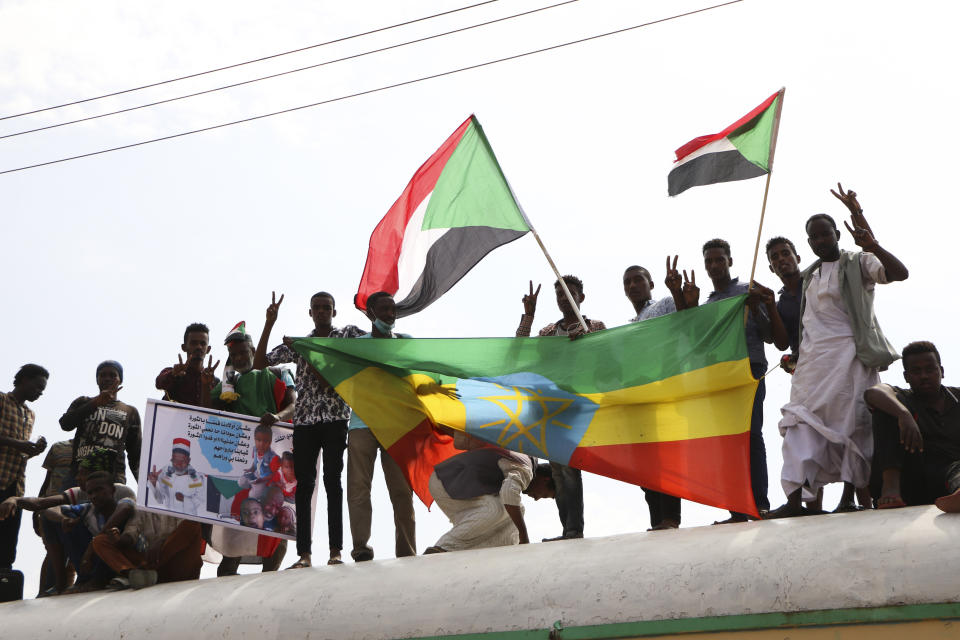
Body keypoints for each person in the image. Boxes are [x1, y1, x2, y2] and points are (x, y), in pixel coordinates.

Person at [771, 184, 909, 517]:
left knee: (852, 425)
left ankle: (849, 495)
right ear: (809, 243)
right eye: (814, 237)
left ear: (836, 234)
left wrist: (865, 228)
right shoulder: (809, 276)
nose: (820, 240)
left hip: (850, 357)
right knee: (799, 422)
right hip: (812, 364)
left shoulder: (858, 263)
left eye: (825, 234)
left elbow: (898, 273)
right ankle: (797, 500)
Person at [253, 290, 365, 568]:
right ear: (310, 313)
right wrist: (269, 323)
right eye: (317, 307)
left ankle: (335, 551)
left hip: (336, 418)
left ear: (334, 312)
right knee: (304, 486)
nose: (323, 311)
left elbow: (372, 343)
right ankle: (304, 554)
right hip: (305, 422)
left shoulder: (344, 337)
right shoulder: (299, 343)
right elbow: (259, 363)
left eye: (327, 307)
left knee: (332, 482)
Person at [685, 240, 775, 522]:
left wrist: (757, 306)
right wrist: (689, 308)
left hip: (749, 368)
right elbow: (699, 345)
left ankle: (760, 504)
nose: (714, 266)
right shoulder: (709, 303)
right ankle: (737, 508)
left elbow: (770, 335)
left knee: (751, 436)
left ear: (730, 261)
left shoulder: (747, 291)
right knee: (728, 442)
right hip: (720, 376)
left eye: (719, 260)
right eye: (709, 262)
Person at [516, 275, 605, 540]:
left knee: (568, 466)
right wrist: (528, 316)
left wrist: (587, 342)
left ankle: (573, 529)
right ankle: (568, 528)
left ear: (581, 297)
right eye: (560, 294)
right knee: (557, 468)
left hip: (578, 405)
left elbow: (607, 359)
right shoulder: (547, 333)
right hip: (549, 407)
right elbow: (519, 349)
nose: (564, 298)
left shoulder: (594, 327)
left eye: (569, 293)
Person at [207, 326, 295, 575]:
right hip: (239, 465)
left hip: (274, 459)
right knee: (235, 528)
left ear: (254, 351)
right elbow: (205, 411)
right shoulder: (229, 382)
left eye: (244, 353)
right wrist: (206, 385)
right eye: (234, 356)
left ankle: (269, 581)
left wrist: (276, 417)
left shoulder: (278, 372)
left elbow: (294, 405)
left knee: (277, 525)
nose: (240, 359)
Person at [347, 291, 417, 562]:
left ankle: (407, 550)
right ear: (371, 313)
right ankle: (361, 547)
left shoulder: (406, 343)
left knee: (402, 490)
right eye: (384, 310)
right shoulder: (356, 346)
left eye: (393, 310)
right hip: (362, 423)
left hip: (396, 424)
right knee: (359, 487)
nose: (390, 314)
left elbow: (421, 373)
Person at [623, 259, 688, 530]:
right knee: (647, 461)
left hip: (665, 389)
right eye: (628, 282)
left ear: (651, 284)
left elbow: (687, 317)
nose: (633, 285)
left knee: (665, 456)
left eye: (638, 279)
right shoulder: (629, 326)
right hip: (641, 398)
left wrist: (676, 291)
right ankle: (657, 520)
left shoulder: (663, 305)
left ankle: (671, 517)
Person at [863, 341, 960, 511]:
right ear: (906, 377)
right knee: (886, 406)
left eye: (930, 369)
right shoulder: (904, 398)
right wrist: (903, 414)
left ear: (941, 371)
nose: (924, 376)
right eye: (916, 371)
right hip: (910, 481)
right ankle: (890, 490)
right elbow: (873, 393)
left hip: (949, 479)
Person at [424, 447, 556, 553]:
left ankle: (507, 553)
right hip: (447, 481)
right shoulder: (526, 469)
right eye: (544, 495)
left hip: (452, 483)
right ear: (545, 479)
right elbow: (509, 494)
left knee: (517, 511)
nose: (537, 499)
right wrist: (524, 535)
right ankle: (443, 548)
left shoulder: (524, 458)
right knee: (496, 509)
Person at [42, 470, 137, 591]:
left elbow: (126, 508)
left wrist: (90, 549)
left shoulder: (124, 502)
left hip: (116, 560)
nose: (94, 496)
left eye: (99, 490)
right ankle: (61, 583)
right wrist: (64, 519)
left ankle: (102, 579)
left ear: (113, 490)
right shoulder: (88, 508)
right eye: (90, 492)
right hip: (91, 563)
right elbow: (50, 510)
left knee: (107, 537)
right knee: (55, 519)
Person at [0, 363, 49, 572]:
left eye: (42, 390)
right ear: (23, 380)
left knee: (7, 545)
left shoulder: (30, 414)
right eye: (37, 387)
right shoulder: (2, 400)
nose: (39, 393)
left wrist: (32, 451)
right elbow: (13, 444)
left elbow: (19, 452)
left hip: (15, 486)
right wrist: (18, 444)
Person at [60, 360, 141, 484]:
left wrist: (146, 489)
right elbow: (65, 424)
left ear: (120, 380)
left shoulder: (130, 411)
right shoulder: (83, 402)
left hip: (113, 477)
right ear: (97, 379)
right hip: (79, 476)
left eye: (112, 375)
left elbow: (136, 454)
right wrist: (95, 403)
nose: (107, 379)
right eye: (102, 375)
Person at [90, 510, 204, 589]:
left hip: (177, 567)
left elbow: (186, 531)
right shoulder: (141, 509)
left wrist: (162, 541)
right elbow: (131, 533)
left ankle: (145, 573)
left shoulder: (182, 502)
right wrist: (118, 539)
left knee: (192, 524)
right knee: (100, 541)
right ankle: (132, 574)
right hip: (148, 566)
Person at [35, 438, 74, 595]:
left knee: (71, 555)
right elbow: (47, 481)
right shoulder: (59, 447)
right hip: (51, 508)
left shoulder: (95, 450)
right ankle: (44, 593)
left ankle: (63, 593)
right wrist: (37, 508)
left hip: (76, 507)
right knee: (53, 551)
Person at [156, 323, 220, 405]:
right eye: (194, 343)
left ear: (208, 349)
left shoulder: (215, 382)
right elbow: (159, 383)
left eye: (203, 344)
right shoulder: (174, 373)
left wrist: (206, 385)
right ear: (184, 347)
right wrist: (173, 374)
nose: (199, 347)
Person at [147, 438, 204, 515]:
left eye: (182, 462)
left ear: (189, 460)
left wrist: (185, 499)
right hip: (167, 517)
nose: (178, 465)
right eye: (175, 461)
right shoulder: (165, 471)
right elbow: (160, 499)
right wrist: (154, 483)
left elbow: (201, 503)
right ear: (171, 458)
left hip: (187, 520)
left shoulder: (197, 478)